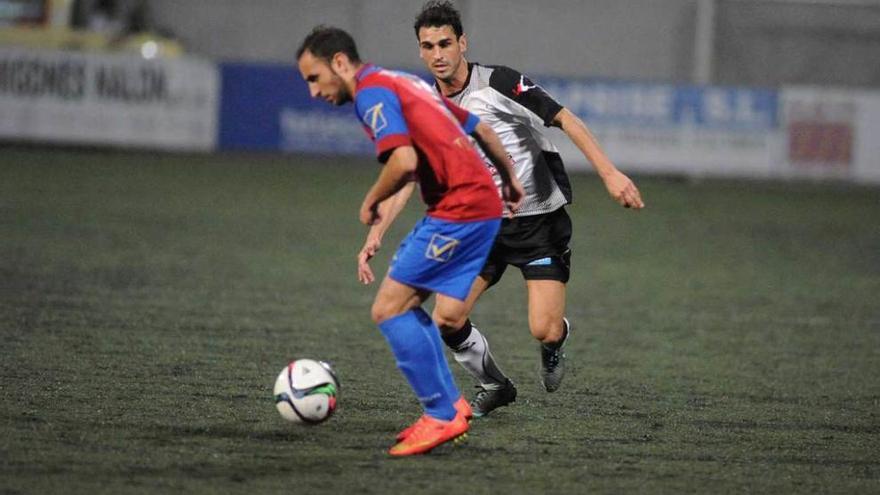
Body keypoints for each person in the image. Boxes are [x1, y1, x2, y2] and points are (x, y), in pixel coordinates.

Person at [358, 1, 645, 419]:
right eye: (428, 46)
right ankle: (495, 384)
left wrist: (610, 173)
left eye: (445, 43)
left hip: (539, 223)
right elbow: (412, 171)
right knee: (447, 317)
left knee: (542, 327)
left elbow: (565, 119)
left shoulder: (500, 82)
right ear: (420, 52)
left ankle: (554, 344)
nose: (438, 54)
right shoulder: (425, 105)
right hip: (481, 226)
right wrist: (377, 232)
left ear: (462, 43)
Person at [297, 26, 524, 456]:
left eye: (314, 78)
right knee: (403, 305)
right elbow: (480, 129)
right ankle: (451, 406)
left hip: (461, 210)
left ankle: (441, 413)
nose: (313, 92)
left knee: (388, 308)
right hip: (472, 205)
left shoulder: (371, 93)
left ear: (340, 64)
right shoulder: (404, 82)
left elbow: (403, 160)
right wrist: (509, 181)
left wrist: (371, 200)